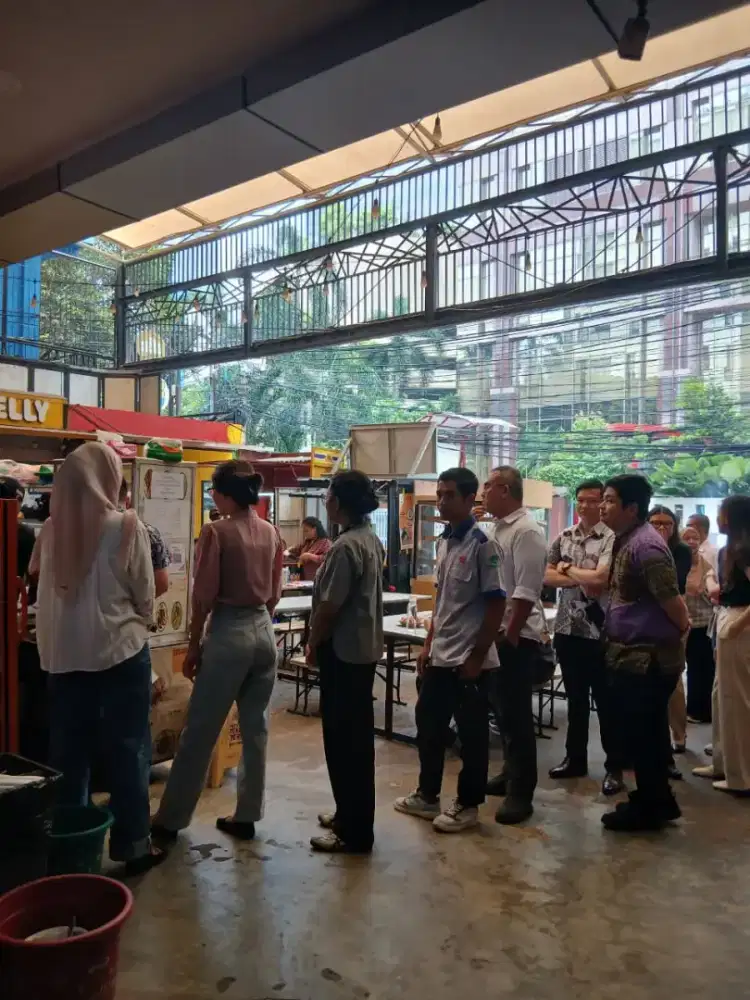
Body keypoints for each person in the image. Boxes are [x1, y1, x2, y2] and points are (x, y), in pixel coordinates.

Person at [29, 441, 163, 873]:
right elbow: (146, 591)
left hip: (61, 660)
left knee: (68, 756)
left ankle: (73, 848)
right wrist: (141, 620)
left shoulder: (50, 530)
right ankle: (133, 846)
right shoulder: (125, 525)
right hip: (119, 655)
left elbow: (38, 582)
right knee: (128, 750)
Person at [152, 460, 283, 843]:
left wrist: (194, 646)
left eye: (214, 491)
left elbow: (203, 597)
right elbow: (274, 593)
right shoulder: (271, 532)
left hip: (229, 632)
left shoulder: (216, 532)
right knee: (255, 728)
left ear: (225, 494)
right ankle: (247, 815)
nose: (213, 497)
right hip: (263, 630)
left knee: (200, 731)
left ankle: (171, 820)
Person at [394, 468, 505, 834]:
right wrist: (428, 644)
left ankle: (468, 804)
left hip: (469, 660)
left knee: (472, 736)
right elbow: (442, 600)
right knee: (428, 724)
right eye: (439, 494)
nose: (442, 501)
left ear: (470, 498)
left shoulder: (484, 546)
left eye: (450, 495)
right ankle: (427, 796)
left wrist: (476, 657)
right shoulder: (444, 542)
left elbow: (495, 606)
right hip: (441, 653)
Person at [599, 475, 689, 831]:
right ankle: (657, 799)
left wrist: (677, 633)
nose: (603, 506)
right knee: (643, 734)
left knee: (644, 735)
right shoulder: (627, 539)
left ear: (631, 508)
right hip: (631, 658)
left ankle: (651, 808)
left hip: (648, 660)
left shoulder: (646, 547)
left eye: (608, 500)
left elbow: (674, 605)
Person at [306, 471, 384, 853]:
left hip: (343, 653)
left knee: (343, 742)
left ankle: (353, 831)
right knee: (355, 742)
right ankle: (348, 814)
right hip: (363, 651)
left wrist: (311, 641)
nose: (325, 499)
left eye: (328, 493)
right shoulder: (368, 538)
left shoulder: (343, 548)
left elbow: (329, 607)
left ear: (339, 501)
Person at [544, 479, 624, 796]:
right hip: (567, 629)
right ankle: (574, 759)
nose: (588, 506)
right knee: (576, 701)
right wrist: (575, 575)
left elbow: (602, 580)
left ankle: (614, 767)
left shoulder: (613, 539)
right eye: (582, 500)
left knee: (607, 703)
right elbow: (546, 575)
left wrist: (567, 569)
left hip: (603, 633)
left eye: (595, 500)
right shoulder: (564, 536)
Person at [483, 466, 547, 825]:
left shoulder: (527, 532)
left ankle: (522, 793)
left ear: (505, 490)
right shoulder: (498, 529)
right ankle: (509, 773)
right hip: (499, 634)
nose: (484, 493)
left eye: (488, 487)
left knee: (518, 718)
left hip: (517, 637)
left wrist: (509, 636)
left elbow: (525, 591)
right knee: (502, 713)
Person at [706, 495, 750, 794]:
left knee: (737, 702)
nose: (718, 519)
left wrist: (738, 624)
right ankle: (723, 762)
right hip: (727, 618)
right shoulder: (729, 551)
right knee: (720, 696)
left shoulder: (745, 550)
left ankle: (741, 776)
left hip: (740, 625)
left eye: (722, 513)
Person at [649, 505, 690, 764]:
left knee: (672, 678)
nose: (661, 528)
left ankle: (679, 733)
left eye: (667, 524)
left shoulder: (681, 550)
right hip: (645, 616)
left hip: (674, 613)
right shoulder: (639, 545)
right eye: (655, 523)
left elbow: (676, 582)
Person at [681, 524, 716, 724]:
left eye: (695, 538)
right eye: (687, 537)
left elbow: (712, 595)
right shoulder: (676, 563)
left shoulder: (706, 565)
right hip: (681, 622)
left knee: (702, 669)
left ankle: (700, 711)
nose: (692, 541)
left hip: (702, 623)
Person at [119, 479, 170, 597]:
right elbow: (162, 584)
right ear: (127, 502)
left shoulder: (84, 531)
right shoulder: (149, 532)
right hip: (136, 612)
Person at [286, 516, 332, 581]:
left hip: (317, 578)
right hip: (303, 577)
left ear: (315, 529)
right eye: (304, 531)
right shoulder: (307, 542)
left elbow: (328, 559)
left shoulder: (326, 543)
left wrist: (310, 556)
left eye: (306, 531)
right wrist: (289, 550)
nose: (304, 534)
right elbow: (297, 549)